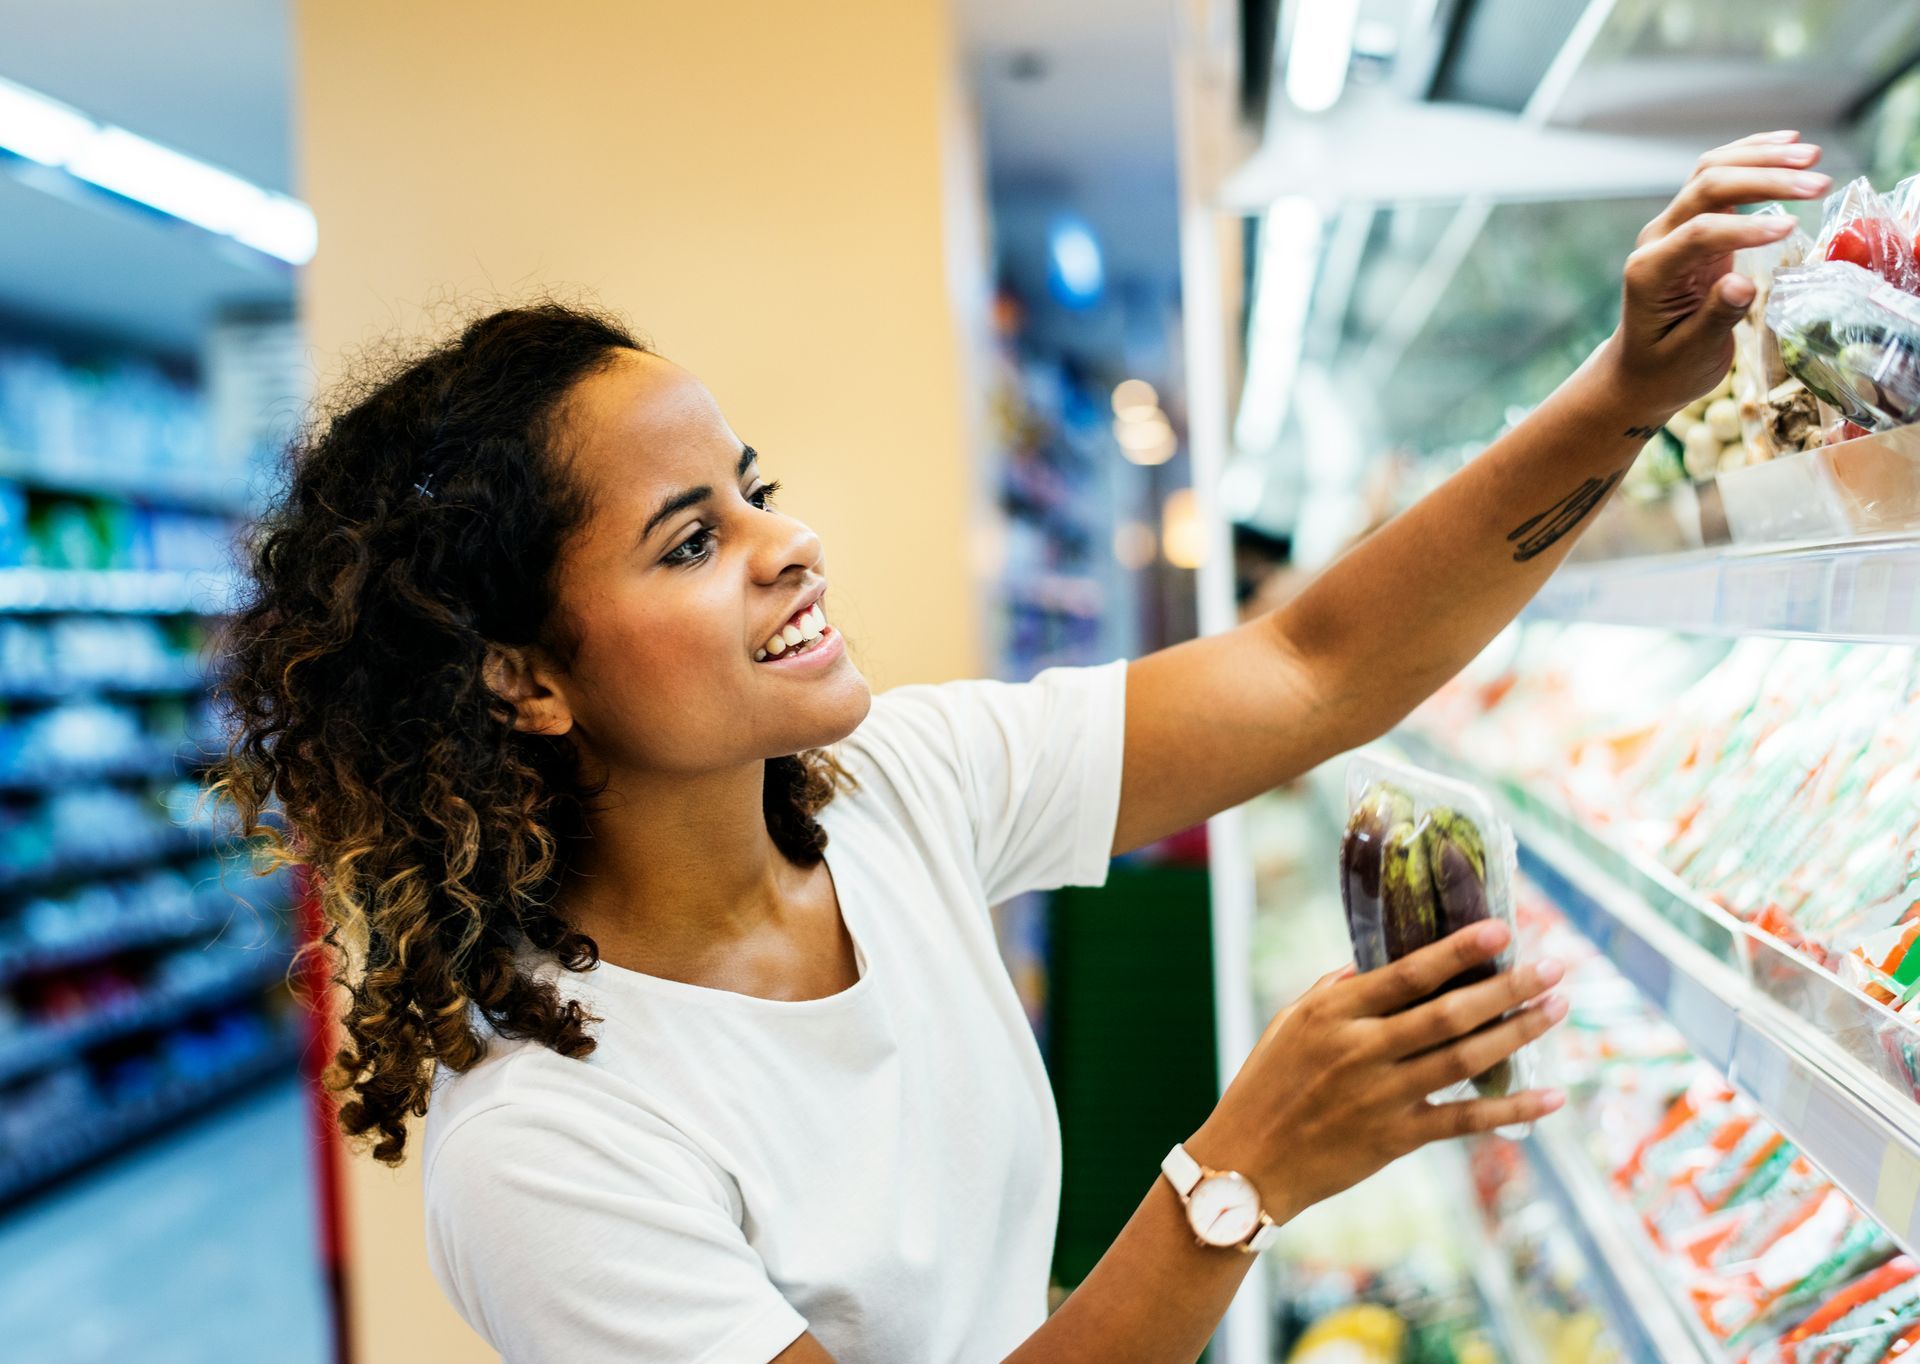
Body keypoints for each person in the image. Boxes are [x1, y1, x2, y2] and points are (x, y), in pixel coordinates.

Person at [214, 131, 1828, 1363]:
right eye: (691, 540)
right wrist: (1235, 1178)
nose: (790, 545)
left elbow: (1309, 662)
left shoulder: (894, 796)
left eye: (756, 487)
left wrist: (1628, 391)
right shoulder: (551, 1151)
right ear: (523, 684)